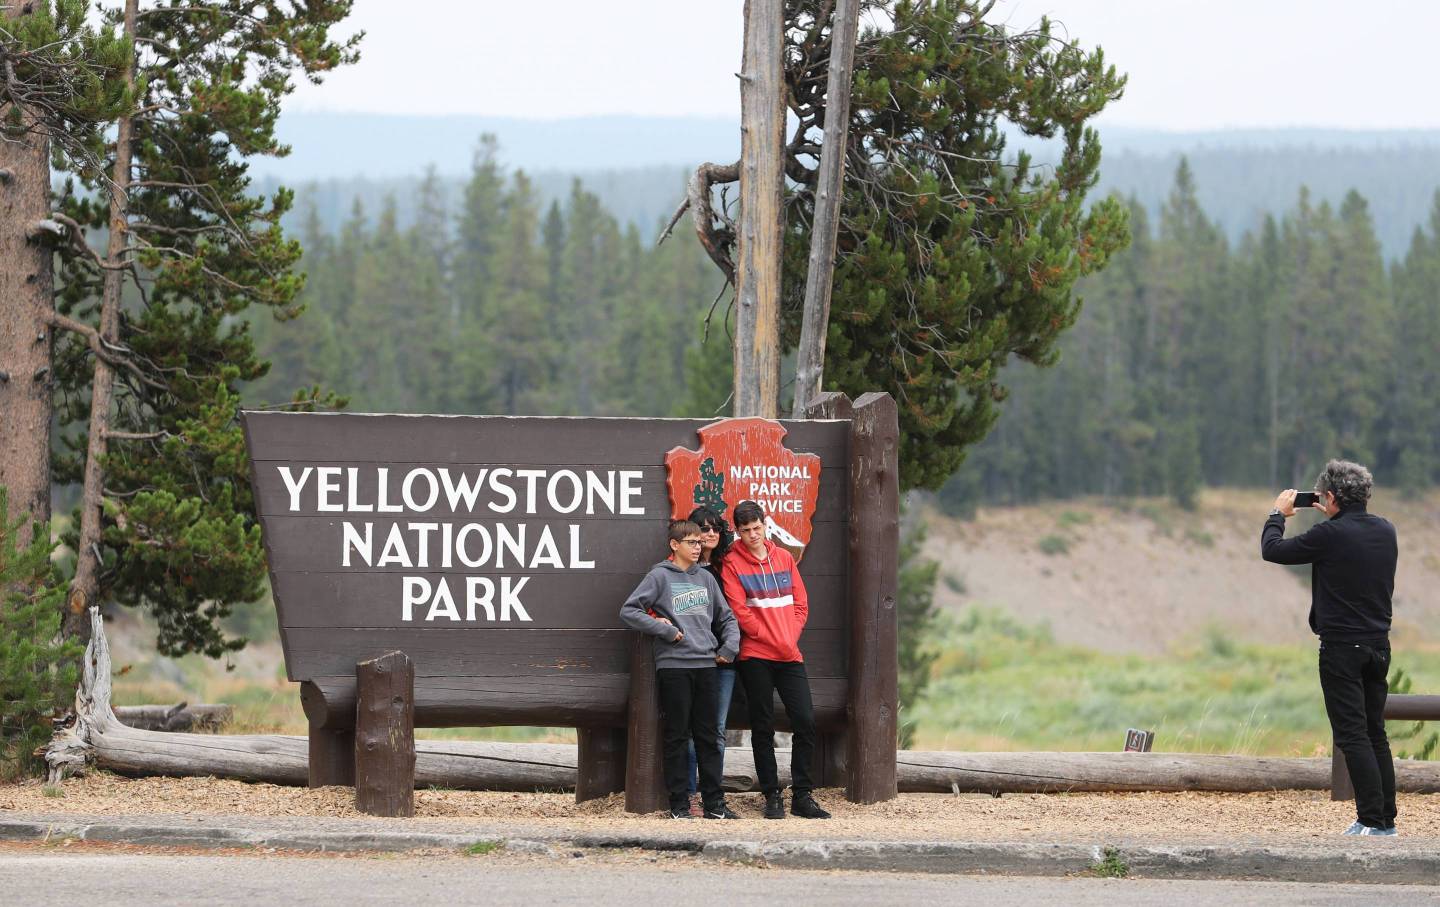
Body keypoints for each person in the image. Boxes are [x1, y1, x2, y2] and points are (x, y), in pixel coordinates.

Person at [1261, 459, 1399, 837]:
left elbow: (1273, 549)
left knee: (1352, 735)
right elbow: (1352, 543)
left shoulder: (1329, 535)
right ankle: (1385, 821)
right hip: (1378, 646)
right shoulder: (1386, 530)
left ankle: (1372, 821)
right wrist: (1336, 516)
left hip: (1341, 648)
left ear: (1331, 497)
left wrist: (1277, 514)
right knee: (1375, 733)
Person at [620, 519, 740, 820]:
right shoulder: (659, 576)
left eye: (700, 542)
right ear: (675, 545)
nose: (698, 547)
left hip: (706, 666)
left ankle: (714, 804)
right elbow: (629, 610)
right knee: (676, 736)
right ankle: (679, 805)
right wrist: (665, 630)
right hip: (674, 667)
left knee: (709, 737)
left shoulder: (706, 578)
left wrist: (729, 648)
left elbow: (727, 618)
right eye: (692, 542)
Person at [722, 500, 831, 820]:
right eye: (746, 530)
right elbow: (739, 612)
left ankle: (802, 795)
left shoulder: (783, 558)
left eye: (757, 528)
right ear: (738, 531)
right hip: (755, 656)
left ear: (765, 524)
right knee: (763, 726)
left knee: (805, 721)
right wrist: (771, 637)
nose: (753, 535)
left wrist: (788, 637)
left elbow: (801, 604)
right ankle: (772, 795)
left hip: (789, 654)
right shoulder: (731, 564)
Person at [683, 506, 739, 806]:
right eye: (704, 528)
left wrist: (729, 648)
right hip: (695, 657)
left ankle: (712, 798)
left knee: (716, 729)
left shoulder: (727, 566)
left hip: (725, 660)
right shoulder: (682, 569)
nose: (711, 533)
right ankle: (690, 794)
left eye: (716, 527)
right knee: (693, 730)